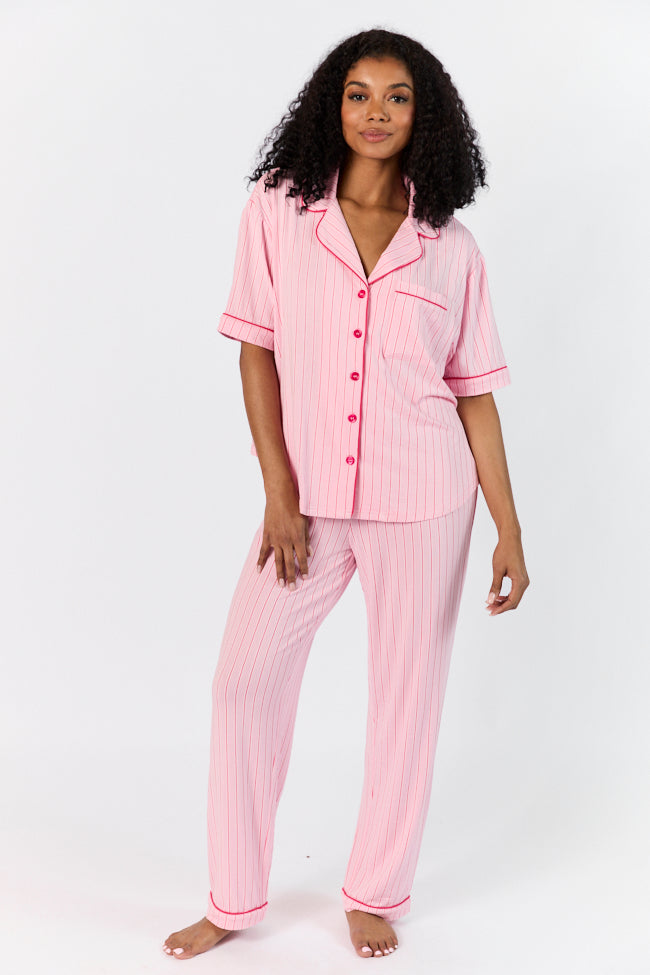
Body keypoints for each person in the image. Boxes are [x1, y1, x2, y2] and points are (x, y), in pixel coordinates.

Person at [163, 27, 529, 962]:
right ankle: (233, 897)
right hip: (308, 502)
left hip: (427, 497)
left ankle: (374, 889)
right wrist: (279, 494)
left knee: (407, 702)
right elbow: (256, 350)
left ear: (424, 116)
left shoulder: (451, 248)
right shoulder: (279, 211)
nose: (376, 112)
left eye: (397, 97)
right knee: (243, 683)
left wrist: (509, 529)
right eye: (359, 93)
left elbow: (474, 395)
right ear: (333, 102)